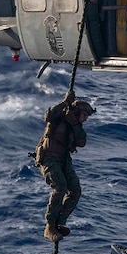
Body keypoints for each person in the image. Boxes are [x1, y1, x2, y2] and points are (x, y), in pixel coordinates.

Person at [34, 91, 95, 242]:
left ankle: (60, 221)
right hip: (49, 157)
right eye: (84, 116)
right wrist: (65, 103)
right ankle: (50, 226)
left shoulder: (76, 125)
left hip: (64, 159)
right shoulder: (59, 116)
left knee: (75, 190)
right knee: (60, 186)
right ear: (77, 112)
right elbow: (47, 115)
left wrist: (74, 123)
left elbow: (82, 142)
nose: (85, 119)